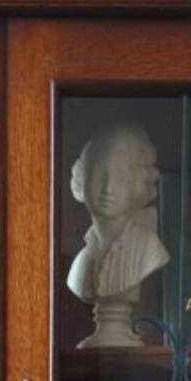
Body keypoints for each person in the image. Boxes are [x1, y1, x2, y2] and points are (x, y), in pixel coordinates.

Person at [67, 123, 171, 348]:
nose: (108, 188)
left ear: (139, 185)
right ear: (81, 181)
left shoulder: (148, 248)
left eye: (121, 178)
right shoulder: (81, 261)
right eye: (98, 175)